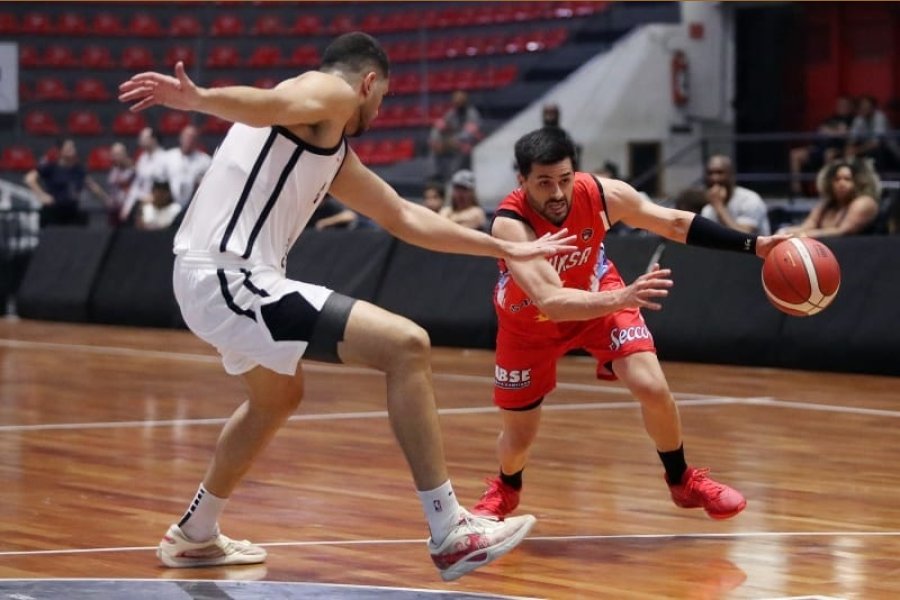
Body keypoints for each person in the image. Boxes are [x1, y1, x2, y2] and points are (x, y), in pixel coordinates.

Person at [118, 32, 578, 581]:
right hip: (228, 275)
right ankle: (450, 528)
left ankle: (194, 534)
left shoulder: (326, 146)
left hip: (212, 279)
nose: (379, 111)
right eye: (380, 98)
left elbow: (403, 217)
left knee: (277, 397)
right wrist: (201, 99)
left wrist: (503, 246)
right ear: (366, 83)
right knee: (406, 346)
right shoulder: (329, 94)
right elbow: (272, 103)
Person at [470, 128, 785, 522]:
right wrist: (621, 297)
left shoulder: (602, 194)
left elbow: (672, 222)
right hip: (530, 322)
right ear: (522, 181)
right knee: (519, 439)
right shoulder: (511, 225)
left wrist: (753, 245)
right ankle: (507, 487)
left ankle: (682, 478)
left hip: (599, 295)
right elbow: (552, 302)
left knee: (653, 387)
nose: (557, 193)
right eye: (544, 183)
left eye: (564, 180)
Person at [778, 159, 879, 237]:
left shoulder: (865, 202)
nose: (841, 183)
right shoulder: (826, 205)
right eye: (837, 179)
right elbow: (806, 227)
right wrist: (785, 232)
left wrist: (802, 236)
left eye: (847, 179)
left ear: (859, 182)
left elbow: (843, 231)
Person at [789, 95, 855, 196]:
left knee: (829, 154)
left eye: (844, 105)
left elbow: (844, 135)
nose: (841, 107)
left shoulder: (853, 120)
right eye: (840, 105)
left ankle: (826, 190)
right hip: (819, 148)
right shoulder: (831, 118)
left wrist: (831, 132)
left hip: (838, 150)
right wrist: (834, 132)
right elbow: (820, 131)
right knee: (795, 154)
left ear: (850, 107)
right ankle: (796, 190)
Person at [24, 138, 99, 227]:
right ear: (60, 151)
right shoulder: (51, 167)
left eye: (73, 147)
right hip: (53, 212)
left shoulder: (79, 170)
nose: (72, 149)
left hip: (72, 212)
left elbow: (92, 185)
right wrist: (42, 195)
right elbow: (29, 179)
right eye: (68, 147)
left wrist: (107, 200)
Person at [701, 155, 770, 235]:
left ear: (731, 175)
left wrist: (719, 207)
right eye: (710, 173)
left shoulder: (750, 200)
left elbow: (744, 238)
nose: (714, 178)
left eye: (720, 172)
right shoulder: (707, 210)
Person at [428, 90, 482, 183]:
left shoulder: (472, 114)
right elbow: (439, 126)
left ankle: (452, 177)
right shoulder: (451, 113)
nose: (457, 103)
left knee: (463, 148)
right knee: (435, 148)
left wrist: (454, 140)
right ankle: (435, 174)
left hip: (469, 144)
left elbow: (469, 134)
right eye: (456, 101)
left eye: (460, 100)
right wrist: (436, 140)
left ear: (465, 101)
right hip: (451, 142)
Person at [121, 127, 168, 223]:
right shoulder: (142, 159)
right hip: (141, 205)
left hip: (159, 206)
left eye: (144, 137)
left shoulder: (166, 158)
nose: (140, 139)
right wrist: (127, 207)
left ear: (154, 139)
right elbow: (136, 185)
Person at [164, 124, 212, 208]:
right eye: (186, 137)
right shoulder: (168, 157)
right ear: (180, 138)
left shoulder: (205, 161)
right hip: (169, 205)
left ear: (197, 141)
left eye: (192, 137)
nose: (189, 140)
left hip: (194, 206)